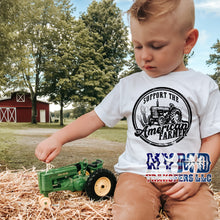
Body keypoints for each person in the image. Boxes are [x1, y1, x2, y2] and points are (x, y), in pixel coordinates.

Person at [35, 0, 220, 219]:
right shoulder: (128, 85)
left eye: (156, 46)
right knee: (130, 215)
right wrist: (59, 137)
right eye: (137, 46)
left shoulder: (203, 86)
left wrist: (197, 174)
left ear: (188, 41)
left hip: (185, 175)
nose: (144, 56)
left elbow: (212, 138)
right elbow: (95, 117)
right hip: (137, 175)